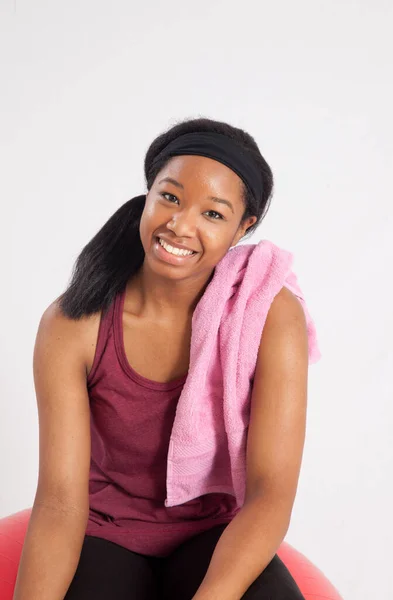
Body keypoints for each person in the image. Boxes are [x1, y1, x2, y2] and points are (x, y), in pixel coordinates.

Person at [13, 117, 310, 600]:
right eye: (170, 197)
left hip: (212, 532)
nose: (180, 225)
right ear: (148, 194)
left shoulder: (268, 315)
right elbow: (61, 503)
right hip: (105, 533)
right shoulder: (73, 324)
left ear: (243, 227)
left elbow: (270, 492)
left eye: (213, 214)